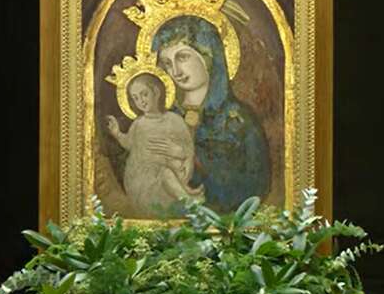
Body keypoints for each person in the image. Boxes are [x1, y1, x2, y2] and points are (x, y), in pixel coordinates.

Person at [153, 16, 272, 213]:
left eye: (182, 57)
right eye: (167, 63)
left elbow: (256, 184)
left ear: (209, 56)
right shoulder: (163, 118)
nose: (175, 71)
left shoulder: (239, 120)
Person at [105, 73, 203, 217]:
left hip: (168, 174)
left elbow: (187, 150)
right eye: (135, 98)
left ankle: (186, 193)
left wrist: (176, 151)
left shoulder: (174, 120)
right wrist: (117, 133)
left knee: (168, 170)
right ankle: (188, 198)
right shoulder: (138, 124)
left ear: (156, 92)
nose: (141, 101)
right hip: (141, 180)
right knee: (166, 173)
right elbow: (129, 144)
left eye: (144, 94)